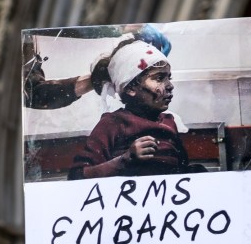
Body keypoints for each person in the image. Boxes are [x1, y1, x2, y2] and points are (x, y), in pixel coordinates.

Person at [69, 28, 192, 177]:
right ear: (131, 88)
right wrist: (125, 159)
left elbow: (183, 167)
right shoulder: (114, 122)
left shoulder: (169, 121)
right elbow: (77, 175)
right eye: (159, 78)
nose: (170, 86)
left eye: (168, 78)